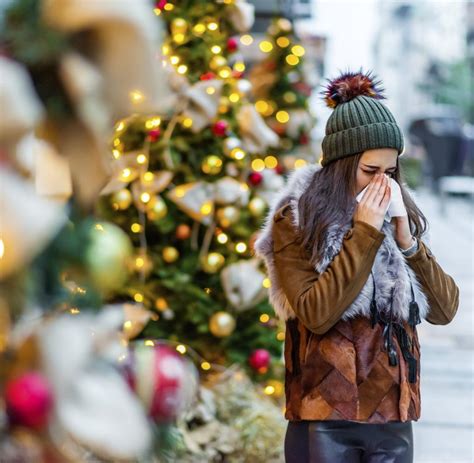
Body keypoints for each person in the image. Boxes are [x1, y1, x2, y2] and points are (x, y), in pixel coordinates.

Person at [253, 69, 460, 463]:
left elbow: (446, 310)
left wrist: (409, 244)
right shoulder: (297, 217)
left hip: (393, 417)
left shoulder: (400, 215)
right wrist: (363, 233)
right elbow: (317, 313)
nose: (382, 184)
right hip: (324, 416)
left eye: (391, 172)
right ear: (342, 163)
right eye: (370, 171)